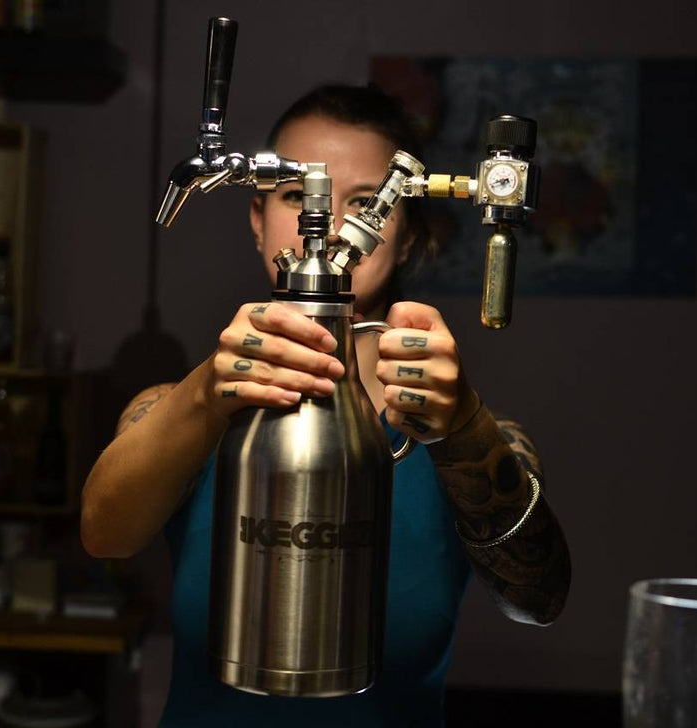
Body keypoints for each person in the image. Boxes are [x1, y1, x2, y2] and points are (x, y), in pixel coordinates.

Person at [82, 84, 571, 727]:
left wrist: (462, 427)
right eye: (296, 195)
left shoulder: (476, 438)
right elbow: (104, 534)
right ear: (257, 220)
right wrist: (204, 395)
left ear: (409, 234)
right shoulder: (181, 410)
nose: (335, 225)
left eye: (369, 201)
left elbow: (540, 598)